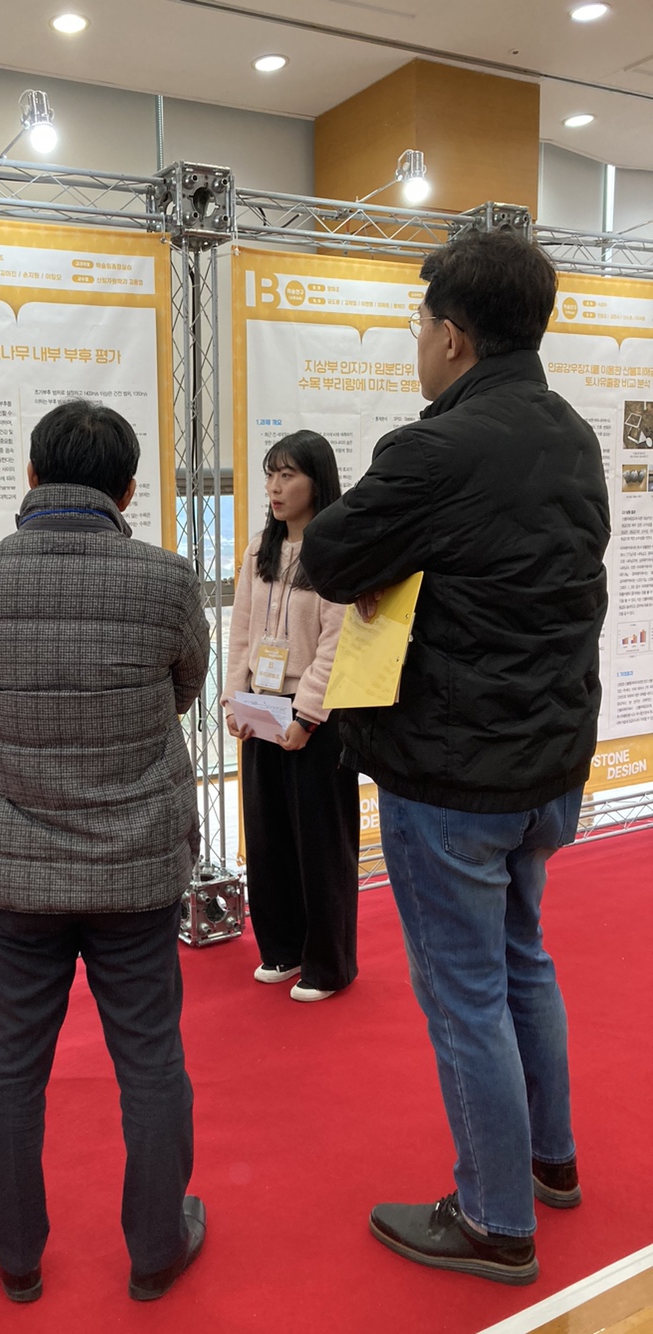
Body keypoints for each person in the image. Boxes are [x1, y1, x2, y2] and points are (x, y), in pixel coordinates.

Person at [301, 229, 610, 1285]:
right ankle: (548, 1162)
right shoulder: (572, 435)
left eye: (420, 323)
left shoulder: (435, 447)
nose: (417, 342)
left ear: (453, 335)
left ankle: (494, 1218)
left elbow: (331, 556)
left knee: (467, 991)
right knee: (523, 959)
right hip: (546, 763)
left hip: (454, 775)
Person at [0, 399, 210, 1304]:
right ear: (128, 490)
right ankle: (156, 1247)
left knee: (12, 1065)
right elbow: (184, 688)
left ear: (31, 475)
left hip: (12, 869)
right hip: (135, 863)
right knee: (151, 1061)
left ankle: (15, 1252)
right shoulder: (167, 579)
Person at [223, 431, 359, 1001]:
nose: (275, 488)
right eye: (271, 475)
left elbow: (338, 641)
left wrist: (307, 716)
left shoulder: (334, 551)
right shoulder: (261, 549)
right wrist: (233, 698)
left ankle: (328, 964)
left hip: (316, 718)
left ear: (316, 482)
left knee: (320, 844)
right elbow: (241, 632)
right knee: (268, 836)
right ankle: (281, 947)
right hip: (262, 705)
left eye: (288, 475)